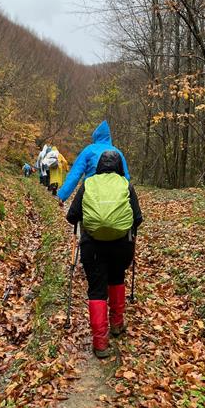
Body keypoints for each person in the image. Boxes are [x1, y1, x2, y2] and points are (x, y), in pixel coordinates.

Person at [66, 150, 142, 359]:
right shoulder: (126, 185)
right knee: (117, 278)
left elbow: (72, 216)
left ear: (99, 166)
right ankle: (117, 324)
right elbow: (137, 219)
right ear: (119, 166)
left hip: (93, 246)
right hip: (121, 246)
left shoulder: (89, 184)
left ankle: (100, 343)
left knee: (97, 290)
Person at [57, 120, 129, 203]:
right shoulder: (118, 152)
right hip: (114, 195)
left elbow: (75, 173)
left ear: (96, 136)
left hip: (91, 192)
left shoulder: (89, 150)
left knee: (74, 215)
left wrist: (63, 194)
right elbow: (126, 177)